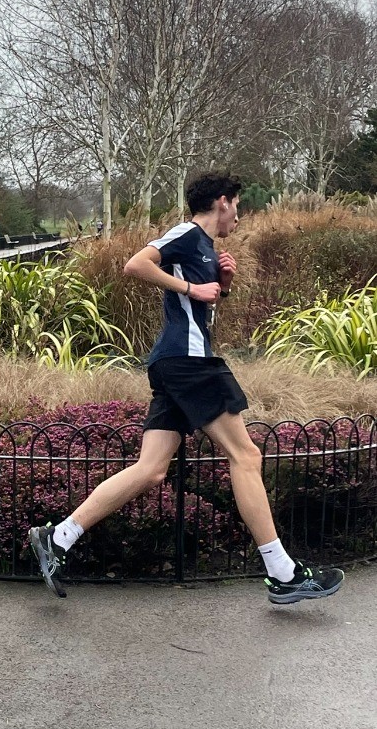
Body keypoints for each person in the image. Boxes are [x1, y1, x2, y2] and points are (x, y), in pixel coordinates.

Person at [28, 171, 344, 606]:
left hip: (175, 363)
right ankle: (282, 572)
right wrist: (192, 286)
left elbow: (198, 307)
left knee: (152, 469)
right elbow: (136, 264)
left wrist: (222, 287)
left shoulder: (207, 247)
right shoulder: (187, 233)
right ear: (222, 202)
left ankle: (58, 537)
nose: (239, 215)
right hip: (189, 362)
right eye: (237, 205)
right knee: (246, 455)